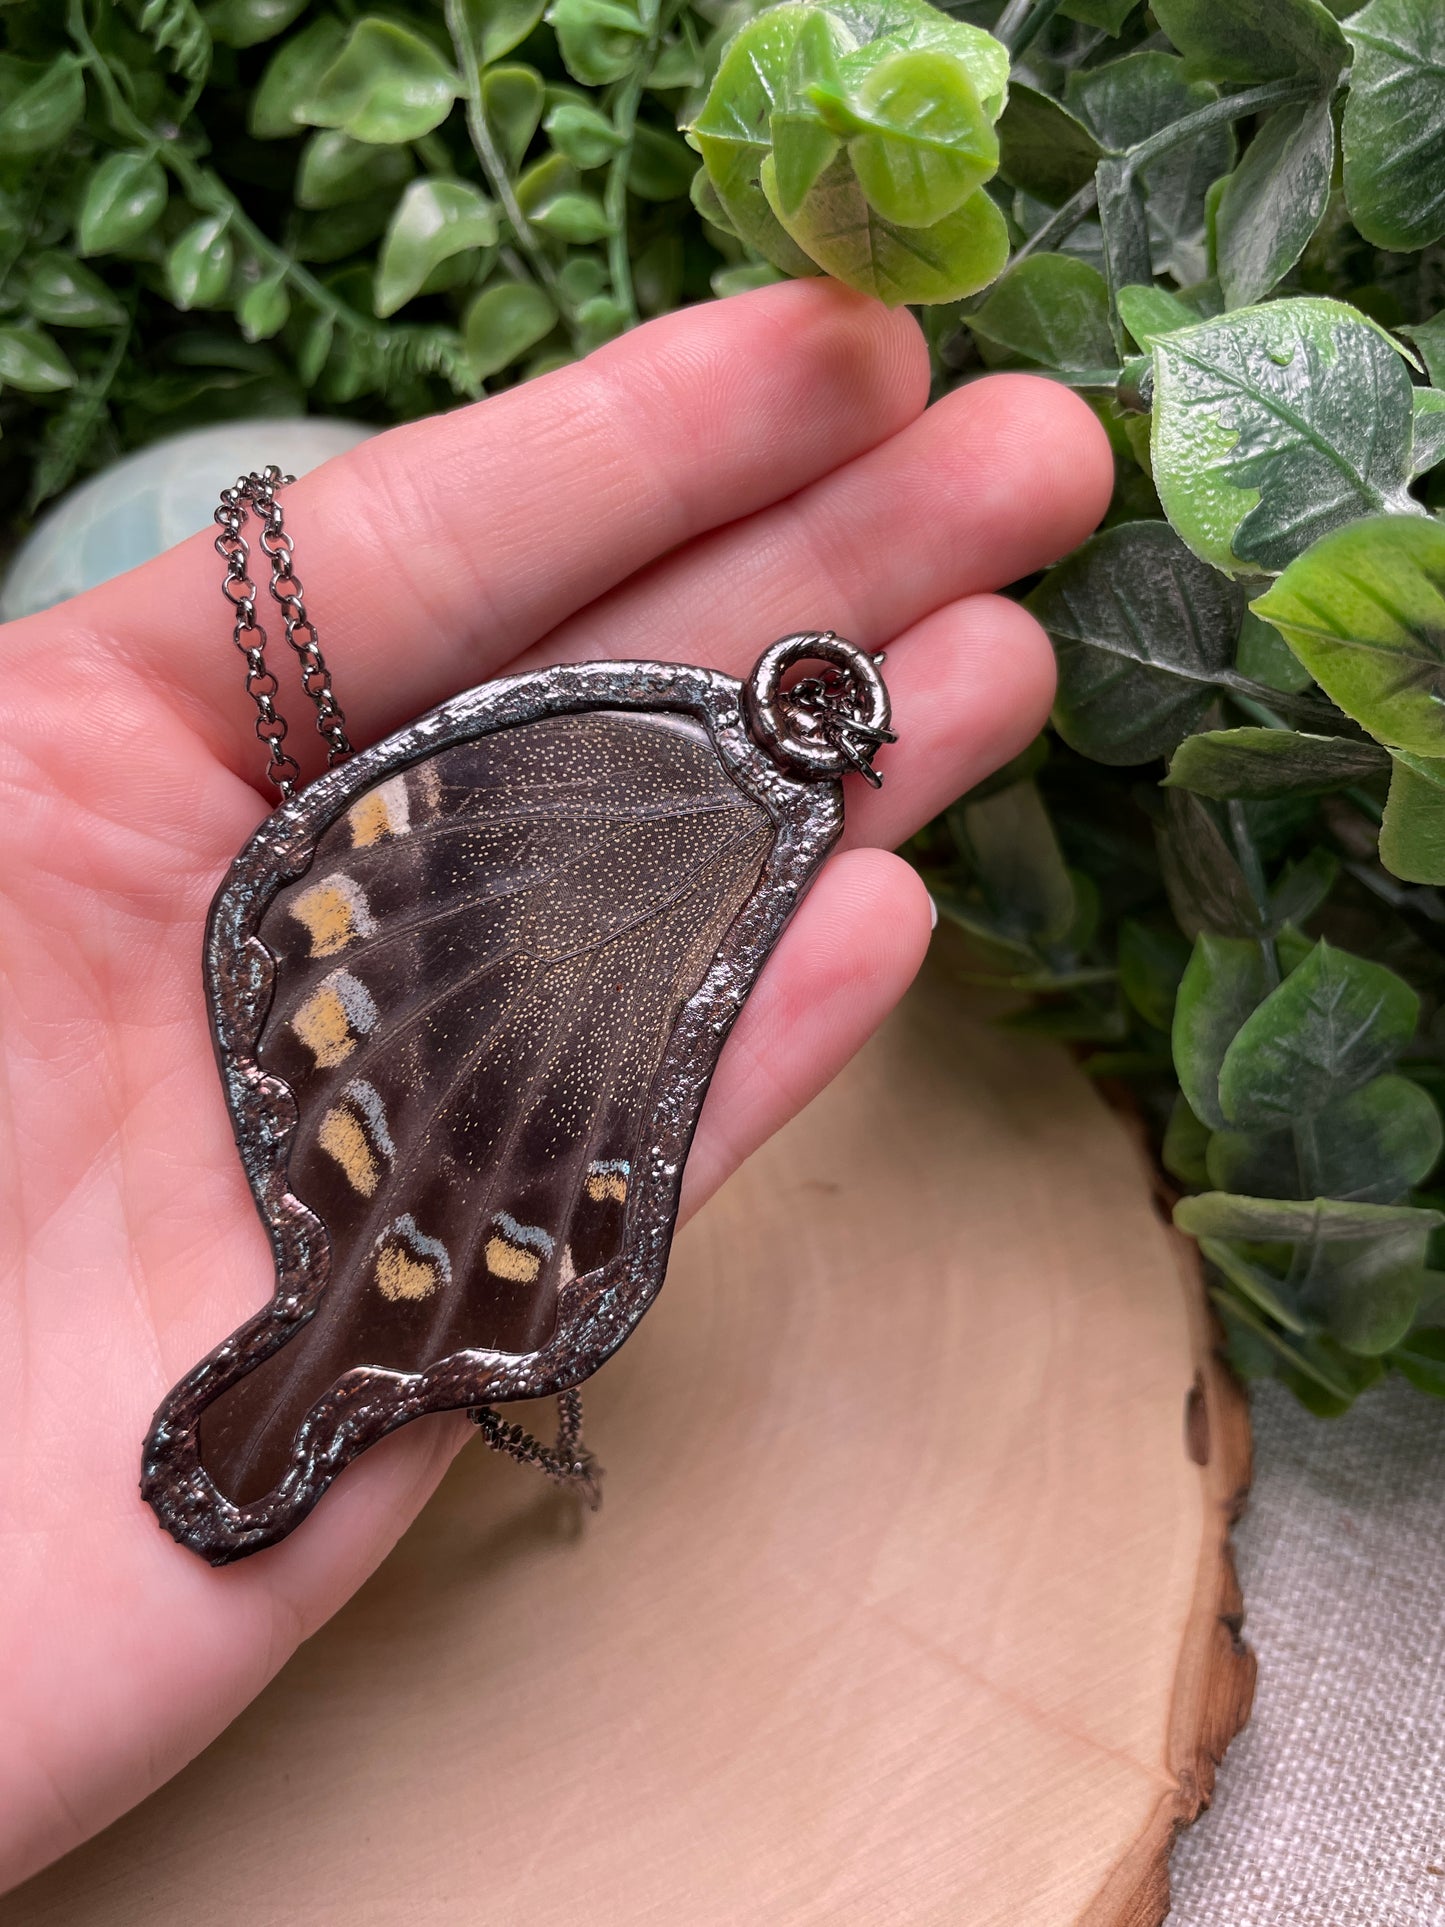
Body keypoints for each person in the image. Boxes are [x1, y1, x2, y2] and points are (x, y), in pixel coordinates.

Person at [0, 278, 1113, 1892]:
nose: (823, 730)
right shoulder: (673, 751)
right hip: (440, 1048)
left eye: (831, 717)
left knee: (456, 1228)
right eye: (819, 705)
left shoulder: (740, 808)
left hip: (493, 1101)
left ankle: (363, 1337)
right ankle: (363, 1335)